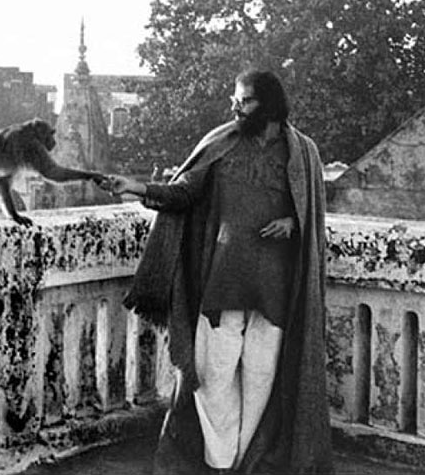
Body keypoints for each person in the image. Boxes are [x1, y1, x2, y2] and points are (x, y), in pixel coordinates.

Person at [99, 70, 333, 474]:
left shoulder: (303, 153)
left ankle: (246, 462)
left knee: (261, 380)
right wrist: (136, 188)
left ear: (269, 105)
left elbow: (311, 217)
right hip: (221, 282)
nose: (235, 107)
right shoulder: (221, 143)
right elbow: (184, 192)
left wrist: (292, 223)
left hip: (275, 289)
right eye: (234, 100)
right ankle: (221, 461)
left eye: (245, 101)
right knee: (211, 377)